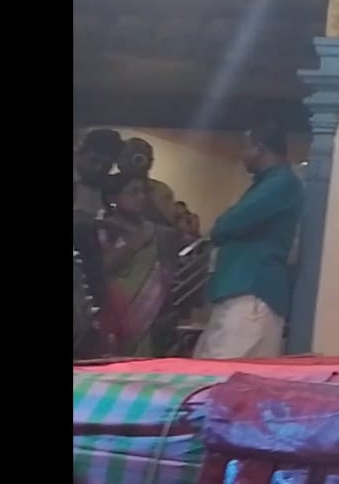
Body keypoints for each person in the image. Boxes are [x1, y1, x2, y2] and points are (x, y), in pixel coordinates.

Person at [193, 121, 304, 360]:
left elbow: (230, 222)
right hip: (246, 290)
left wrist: (218, 229)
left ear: (260, 148)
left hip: (252, 291)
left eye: (245, 147)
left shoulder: (281, 182)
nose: (241, 154)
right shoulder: (270, 182)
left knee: (221, 371)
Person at [90, 173, 188, 357]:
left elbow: (168, 273)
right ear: (112, 198)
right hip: (115, 312)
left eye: (143, 192)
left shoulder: (159, 233)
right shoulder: (101, 229)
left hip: (153, 314)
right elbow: (101, 267)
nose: (141, 197)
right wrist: (134, 243)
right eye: (133, 192)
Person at [117, 137, 180, 226]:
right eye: (126, 156)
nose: (131, 162)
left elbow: (169, 223)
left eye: (139, 159)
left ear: (150, 163)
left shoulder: (161, 191)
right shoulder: (108, 184)